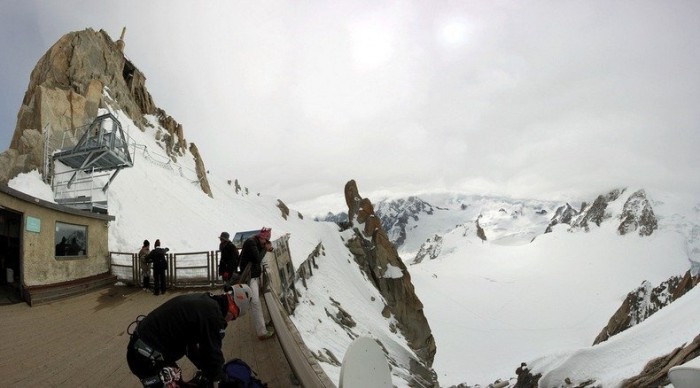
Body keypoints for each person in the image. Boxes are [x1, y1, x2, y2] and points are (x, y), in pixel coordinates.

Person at [127, 284, 253, 387]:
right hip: (146, 357)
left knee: (180, 382)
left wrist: (207, 370)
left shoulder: (207, 302)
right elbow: (213, 352)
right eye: (234, 316)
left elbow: (191, 347)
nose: (230, 320)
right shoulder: (213, 316)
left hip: (143, 350)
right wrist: (219, 378)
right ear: (233, 307)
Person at [238, 227, 275, 340]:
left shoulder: (255, 242)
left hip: (254, 275)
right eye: (265, 241)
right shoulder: (251, 243)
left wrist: (266, 248)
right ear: (262, 238)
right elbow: (257, 258)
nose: (265, 243)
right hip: (251, 277)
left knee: (256, 300)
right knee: (255, 302)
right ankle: (262, 332)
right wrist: (265, 249)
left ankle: (263, 325)